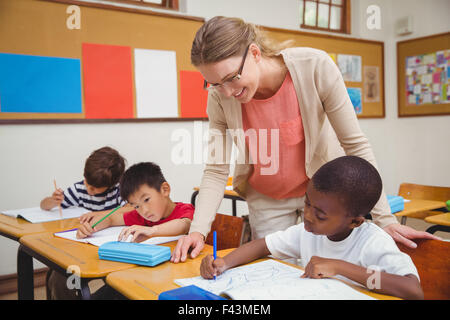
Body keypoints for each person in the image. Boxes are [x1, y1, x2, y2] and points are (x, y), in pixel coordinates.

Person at [171, 16, 438, 263]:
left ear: (254, 53)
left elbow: (354, 145)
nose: (227, 92)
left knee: (330, 271)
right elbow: (217, 169)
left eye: (231, 78)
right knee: (276, 274)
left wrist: (384, 220)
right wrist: (198, 231)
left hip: (325, 199)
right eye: (215, 83)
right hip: (267, 198)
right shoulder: (220, 97)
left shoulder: (314, 67)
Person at [200, 156, 424, 300]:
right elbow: (262, 246)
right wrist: (224, 263)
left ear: (355, 221)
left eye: (320, 214)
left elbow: (412, 290)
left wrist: (340, 267)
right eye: (307, 203)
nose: (307, 216)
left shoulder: (373, 242)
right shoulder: (308, 232)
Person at [42, 146, 131, 299]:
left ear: (111, 185)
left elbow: (131, 209)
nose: (89, 189)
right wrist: (52, 200)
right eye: (87, 183)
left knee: (119, 286)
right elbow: (44, 205)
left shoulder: (119, 191)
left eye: (95, 189)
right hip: (81, 250)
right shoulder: (80, 189)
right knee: (62, 276)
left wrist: (98, 214)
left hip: (110, 250)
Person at [77, 161, 194, 242]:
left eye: (147, 200)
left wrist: (152, 231)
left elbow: (184, 225)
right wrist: (91, 227)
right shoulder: (143, 218)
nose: (144, 210)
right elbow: (110, 219)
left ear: (165, 189)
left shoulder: (185, 210)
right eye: (136, 206)